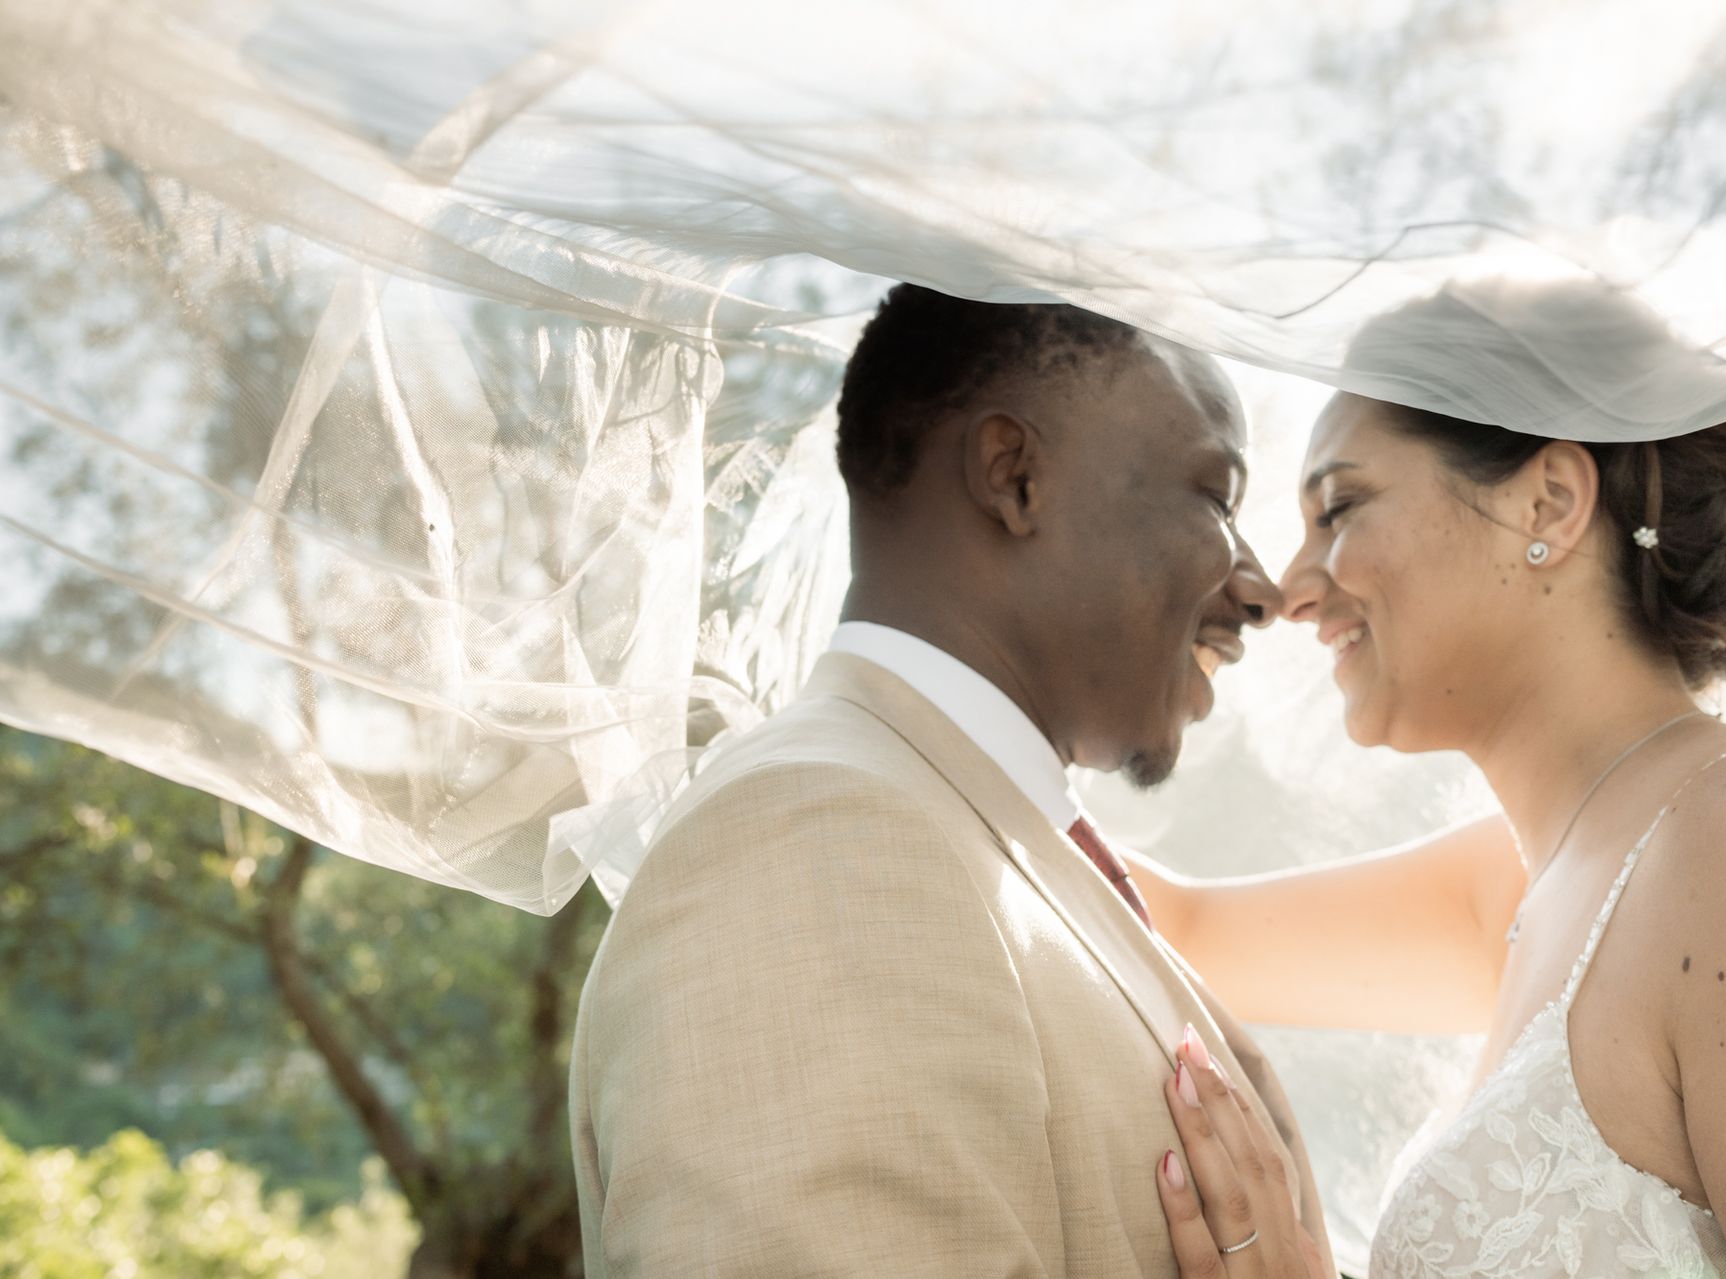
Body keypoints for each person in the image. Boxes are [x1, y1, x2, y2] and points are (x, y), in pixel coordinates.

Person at [568, 284, 1333, 1275]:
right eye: (1215, 496)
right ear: (1016, 477)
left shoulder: (957, 839)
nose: (1262, 588)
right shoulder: (812, 847)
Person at [1135, 287, 1726, 1275]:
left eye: (1341, 508)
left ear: (1550, 504)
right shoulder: (1525, 879)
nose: (1291, 585)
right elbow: (1173, 932)